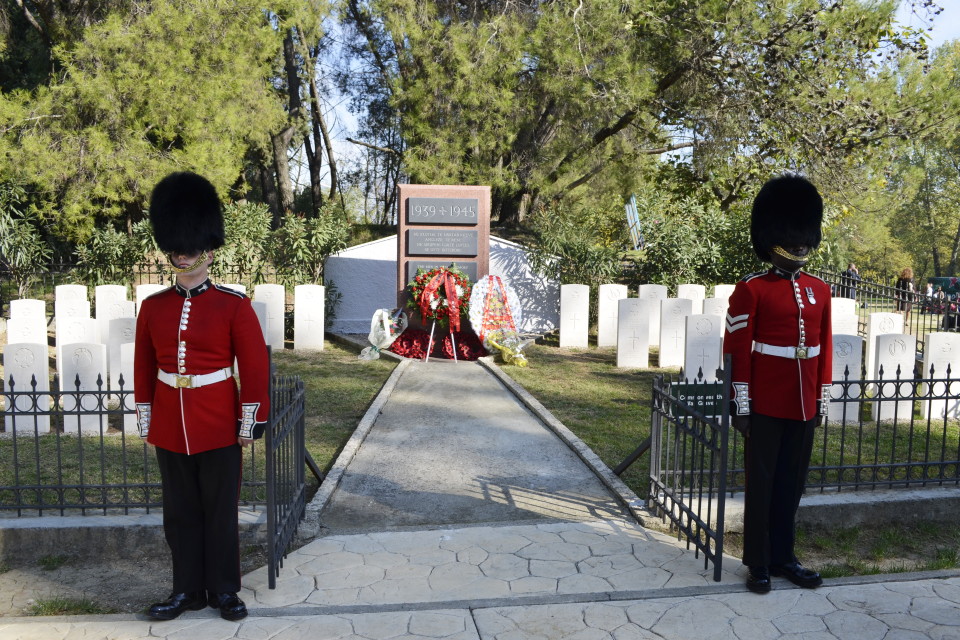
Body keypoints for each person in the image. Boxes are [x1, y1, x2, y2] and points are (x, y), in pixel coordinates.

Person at [134, 172, 270, 621]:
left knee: (219, 514)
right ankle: (186, 591)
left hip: (217, 422)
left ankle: (224, 591)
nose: (183, 254)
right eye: (177, 247)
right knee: (180, 515)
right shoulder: (153, 307)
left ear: (207, 251)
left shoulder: (234, 306)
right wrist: (146, 415)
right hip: (172, 424)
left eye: (190, 247)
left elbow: (253, 368)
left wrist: (249, 422)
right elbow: (143, 366)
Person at [722, 174, 832, 595]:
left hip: (803, 402)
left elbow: (820, 351)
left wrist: (819, 400)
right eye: (793, 236)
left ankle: (785, 556)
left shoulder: (819, 291)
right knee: (762, 484)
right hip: (765, 402)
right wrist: (742, 405)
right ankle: (758, 561)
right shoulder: (752, 289)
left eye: (805, 235)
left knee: (792, 482)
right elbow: (738, 351)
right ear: (772, 239)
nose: (801, 244)